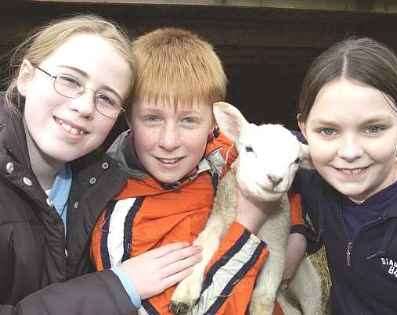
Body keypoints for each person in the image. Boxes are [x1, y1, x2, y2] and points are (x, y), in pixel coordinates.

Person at [90, 27, 308, 314]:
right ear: (128, 117)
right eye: (152, 118)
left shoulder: (223, 151)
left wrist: (297, 231)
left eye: (189, 121)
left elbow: (277, 162)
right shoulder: (119, 221)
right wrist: (248, 223)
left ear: (214, 124)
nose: (169, 141)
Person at [0, 15, 201, 314]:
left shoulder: (99, 185)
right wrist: (119, 286)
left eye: (106, 99)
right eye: (69, 80)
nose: (84, 107)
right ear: (26, 77)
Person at [295, 37, 397, 314]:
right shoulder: (316, 179)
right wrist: (296, 234)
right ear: (304, 130)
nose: (350, 152)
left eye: (373, 128)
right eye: (328, 131)